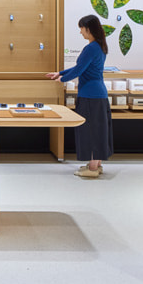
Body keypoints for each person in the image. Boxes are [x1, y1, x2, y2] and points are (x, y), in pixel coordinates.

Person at [46, 14, 113, 178]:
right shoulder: (99, 46)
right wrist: (59, 73)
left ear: (88, 29)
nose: (80, 32)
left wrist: (62, 79)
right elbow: (80, 67)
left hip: (90, 94)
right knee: (98, 130)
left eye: (81, 29)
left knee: (90, 131)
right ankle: (96, 165)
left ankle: (91, 168)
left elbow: (79, 70)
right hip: (99, 94)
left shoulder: (90, 48)